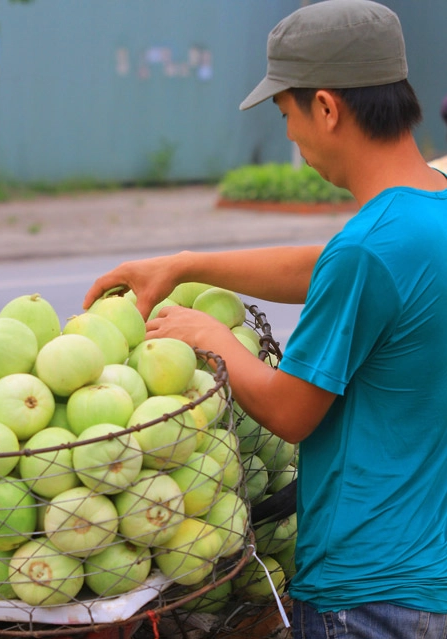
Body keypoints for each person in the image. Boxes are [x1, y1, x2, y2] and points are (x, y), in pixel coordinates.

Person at [83, 1, 447, 637]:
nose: (291, 138)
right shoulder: (424, 214)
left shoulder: (369, 249)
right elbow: (329, 267)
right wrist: (187, 265)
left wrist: (213, 337)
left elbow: (289, 411)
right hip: (427, 571)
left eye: (287, 116)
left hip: (364, 591)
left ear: (327, 108)